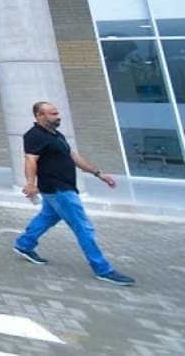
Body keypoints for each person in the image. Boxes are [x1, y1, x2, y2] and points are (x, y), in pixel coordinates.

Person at [13, 101, 134, 286]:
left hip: (62, 187)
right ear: (39, 115)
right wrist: (30, 184)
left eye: (57, 113)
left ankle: (24, 244)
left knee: (47, 217)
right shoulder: (34, 135)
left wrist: (98, 173)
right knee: (83, 227)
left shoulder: (56, 135)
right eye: (53, 114)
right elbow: (30, 160)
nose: (58, 116)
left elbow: (73, 156)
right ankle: (102, 269)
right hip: (58, 188)